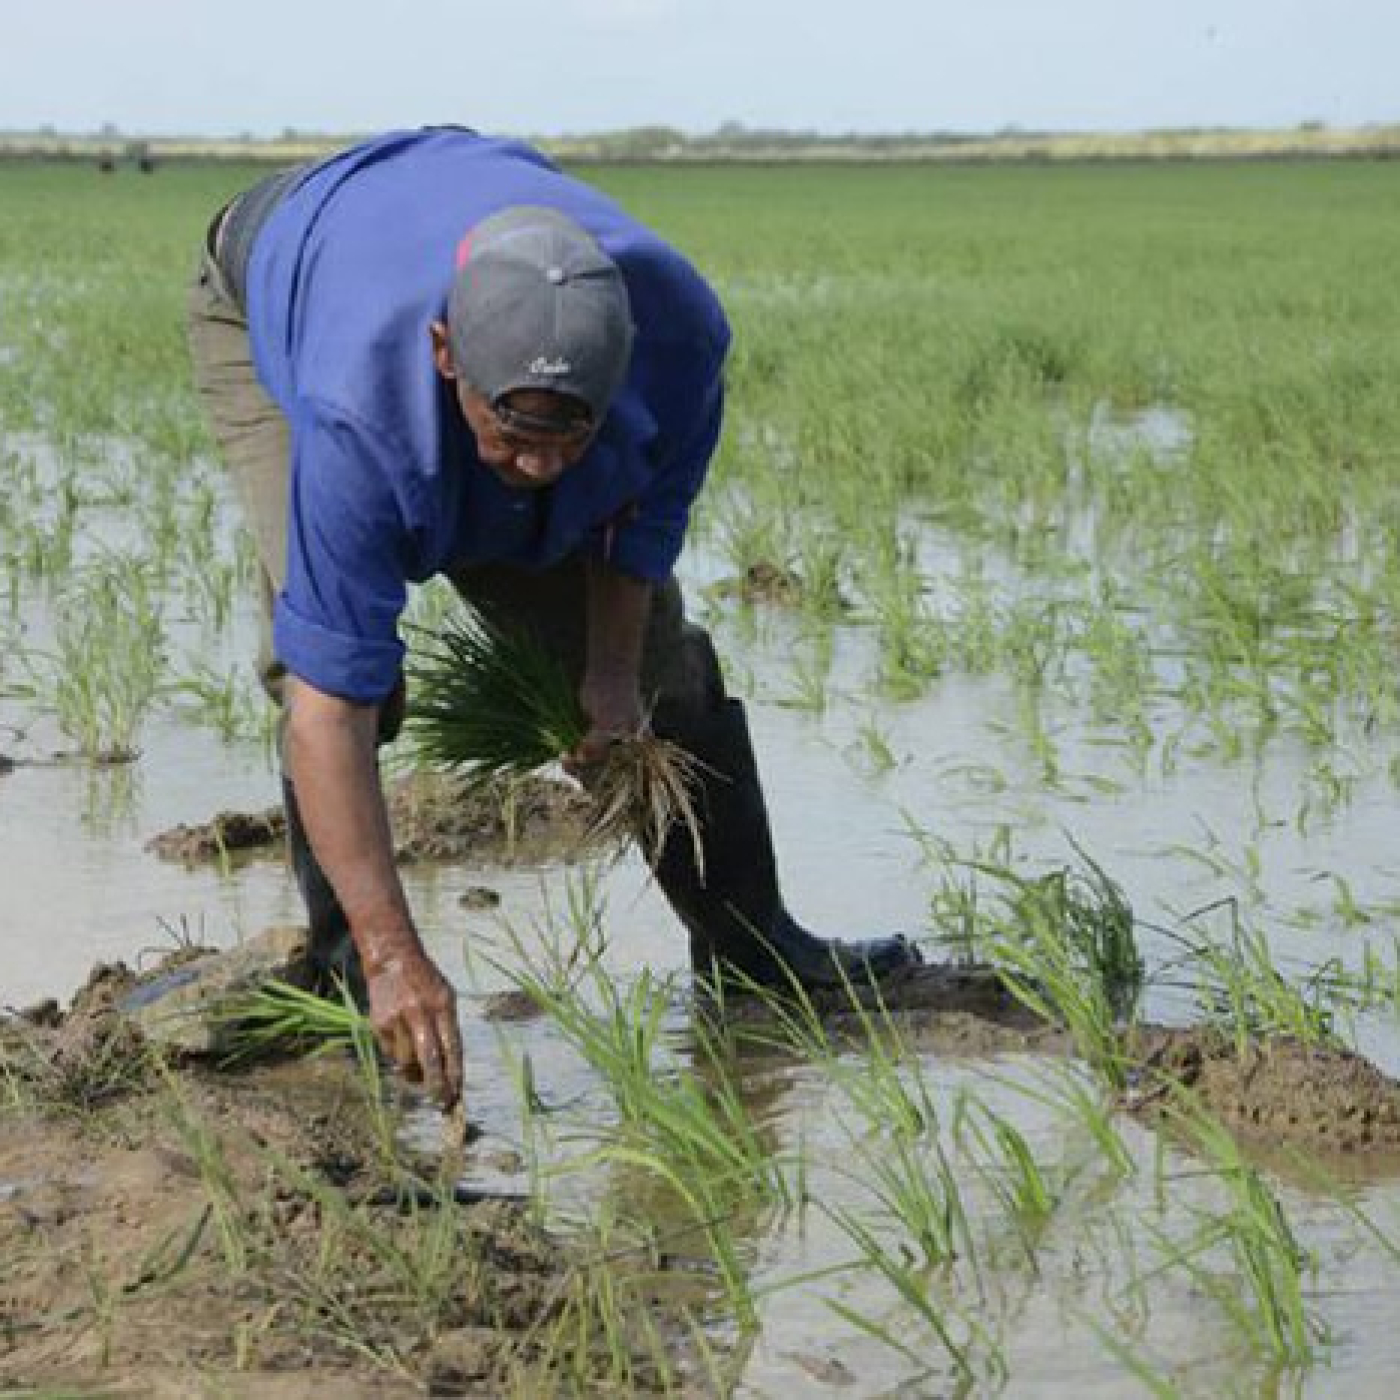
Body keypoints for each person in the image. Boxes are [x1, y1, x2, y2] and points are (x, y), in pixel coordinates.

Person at [186, 126, 919, 1110]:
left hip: (444, 239)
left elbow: (640, 523)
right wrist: (399, 946)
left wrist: (612, 678)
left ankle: (751, 952)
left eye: (567, 434)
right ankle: (356, 980)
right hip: (273, 276)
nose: (537, 466)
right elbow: (330, 707)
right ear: (448, 358)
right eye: (513, 435)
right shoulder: (360, 413)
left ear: (615, 381)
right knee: (338, 675)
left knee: (661, 669)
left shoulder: (676, 337)